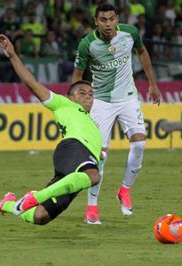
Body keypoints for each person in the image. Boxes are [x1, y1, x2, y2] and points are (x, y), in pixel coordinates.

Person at [0, 34, 102, 225]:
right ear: (70, 97)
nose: (88, 96)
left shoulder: (92, 121)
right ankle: (34, 196)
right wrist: (13, 56)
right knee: (93, 176)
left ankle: (6, 204)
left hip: (77, 165)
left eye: (91, 94)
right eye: (82, 93)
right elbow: (32, 84)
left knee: (40, 216)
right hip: (74, 149)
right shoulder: (64, 104)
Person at [72, 3, 161, 225]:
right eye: (103, 20)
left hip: (128, 97)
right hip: (101, 101)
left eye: (111, 19)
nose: (108, 24)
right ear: (96, 21)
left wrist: (152, 83)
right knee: (100, 156)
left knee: (139, 144)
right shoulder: (87, 44)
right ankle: (92, 208)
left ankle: (125, 189)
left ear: (117, 19)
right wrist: (77, 103)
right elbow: (77, 73)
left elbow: (142, 52)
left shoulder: (129, 33)